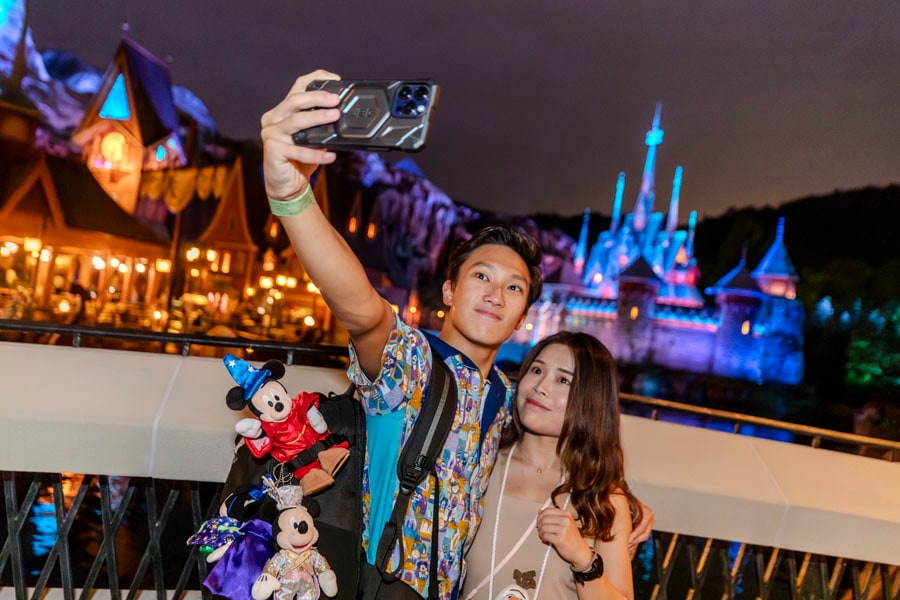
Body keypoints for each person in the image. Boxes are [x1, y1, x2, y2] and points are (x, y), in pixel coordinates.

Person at [259, 70, 652, 599]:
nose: (495, 293)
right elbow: (364, 312)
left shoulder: (507, 399)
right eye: (481, 277)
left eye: (514, 288)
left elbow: (572, 431)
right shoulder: (411, 362)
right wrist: (291, 194)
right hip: (375, 585)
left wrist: (625, 507)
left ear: (522, 319)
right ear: (448, 291)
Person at [463, 332, 641, 600]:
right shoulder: (480, 465)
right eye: (536, 370)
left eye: (562, 379)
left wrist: (584, 560)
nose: (540, 386)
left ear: (590, 400)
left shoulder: (603, 499)